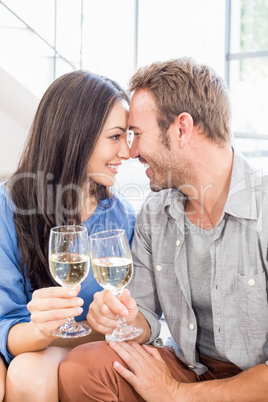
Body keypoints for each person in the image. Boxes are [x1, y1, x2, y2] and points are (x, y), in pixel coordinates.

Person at [58, 57, 268, 401]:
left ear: (181, 129)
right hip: (187, 365)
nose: (131, 151)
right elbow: (143, 313)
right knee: (84, 366)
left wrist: (173, 394)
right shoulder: (155, 212)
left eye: (137, 134)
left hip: (253, 381)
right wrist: (123, 317)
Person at [0, 70, 136, 402]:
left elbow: (138, 317)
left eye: (129, 136)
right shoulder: (10, 208)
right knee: (28, 371)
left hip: (91, 351)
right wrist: (40, 330)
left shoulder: (123, 217)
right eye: (116, 137)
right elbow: (7, 326)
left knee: (34, 372)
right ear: (77, 136)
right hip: (32, 345)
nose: (128, 152)